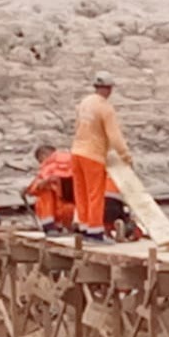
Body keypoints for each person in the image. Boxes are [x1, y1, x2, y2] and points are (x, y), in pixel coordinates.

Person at [71, 70, 133, 242]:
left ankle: (84, 227)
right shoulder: (105, 108)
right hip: (93, 155)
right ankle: (95, 231)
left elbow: (77, 126)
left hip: (76, 152)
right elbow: (115, 136)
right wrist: (125, 156)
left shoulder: (84, 103)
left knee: (81, 193)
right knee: (95, 194)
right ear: (109, 88)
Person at [26, 144, 76, 236]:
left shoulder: (49, 165)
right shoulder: (73, 160)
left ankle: (49, 225)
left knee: (43, 193)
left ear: (43, 156)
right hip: (72, 211)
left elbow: (36, 187)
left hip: (58, 212)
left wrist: (31, 189)